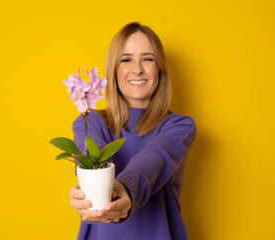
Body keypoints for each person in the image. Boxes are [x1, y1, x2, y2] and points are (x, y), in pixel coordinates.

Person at [70, 22, 196, 240]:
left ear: (160, 69)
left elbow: (155, 160)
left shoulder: (179, 126)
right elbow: (91, 155)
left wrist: (123, 189)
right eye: (126, 59)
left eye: (148, 58)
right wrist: (87, 190)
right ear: (113, 69)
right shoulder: (91, 121)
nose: (137, 69)